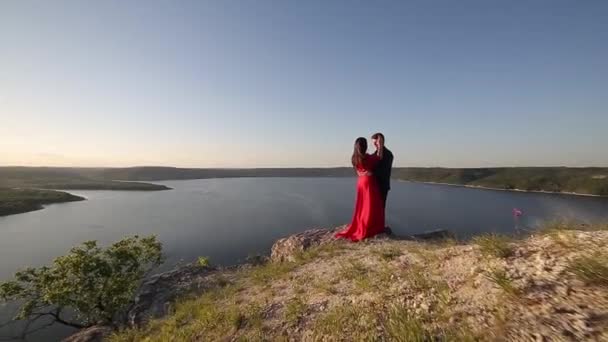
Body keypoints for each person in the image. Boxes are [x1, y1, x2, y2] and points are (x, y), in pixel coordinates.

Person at [335, 137, 385, 241]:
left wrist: (363, 173)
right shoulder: (366, 157)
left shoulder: (354, 158)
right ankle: (370, 225)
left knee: (362, 204)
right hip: (369, 181)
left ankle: (361, 222)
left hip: (361, 181)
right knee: (371, 205)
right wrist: (379, 145)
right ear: (365, 146)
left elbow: (358, 171)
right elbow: (379, 157)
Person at [371, 133, 394, 233]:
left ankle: (379, 227)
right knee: (374, 208)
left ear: (380, 141)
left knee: (380, 208)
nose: (374, 145)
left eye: (375, 142)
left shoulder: (388, 154)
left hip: (382, 186)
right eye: (373, 143)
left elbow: (382, 170)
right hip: (375, 186)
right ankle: (375, 225)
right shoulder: (375, 154)